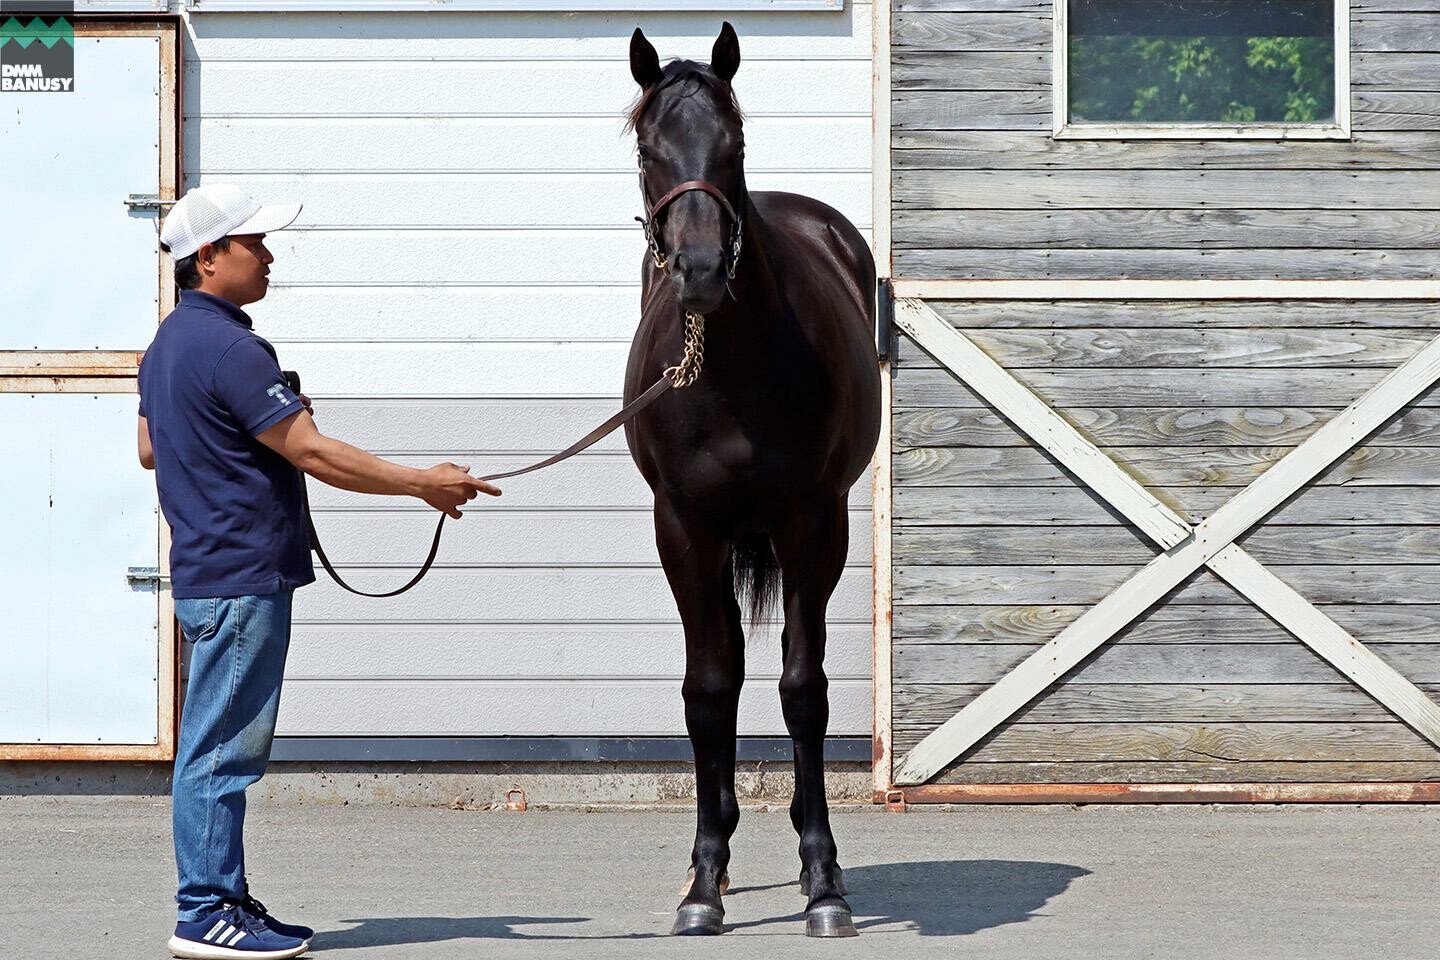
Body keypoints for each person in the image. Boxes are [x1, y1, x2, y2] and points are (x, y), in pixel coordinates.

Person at [138, 183, 501, 960]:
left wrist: (238, 432)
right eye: (255, 244)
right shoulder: (232, 347)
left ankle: (222, 898)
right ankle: (205, 912)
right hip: (242, 579)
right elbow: (308, 449)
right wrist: (423, 483)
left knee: (216, 745)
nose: (269, 257)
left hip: (210, 574)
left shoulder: (169, 343)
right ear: (209, 258)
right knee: (220, 752)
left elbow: (149, 445)